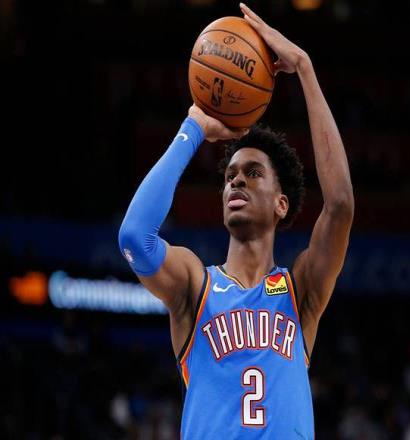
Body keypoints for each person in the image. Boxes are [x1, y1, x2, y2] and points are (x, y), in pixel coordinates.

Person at [118, 3, 354, 438]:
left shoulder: (300, 291)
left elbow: (339, 205)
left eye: (252, 173)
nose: (236, 181)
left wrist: (304, 68)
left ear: (281, 204)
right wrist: (192, 128)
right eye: (229, 176)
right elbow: (135, 237)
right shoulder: (195, 285)